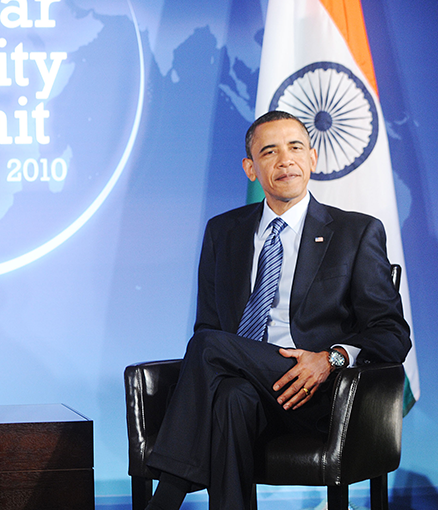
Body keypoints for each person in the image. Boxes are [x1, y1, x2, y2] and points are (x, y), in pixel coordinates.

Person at [144, 111, 411, 510]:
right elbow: (211, 323)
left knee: (206, 346)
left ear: (313, 159)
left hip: (319, 393)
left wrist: (330, 359)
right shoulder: (223, 232)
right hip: (248, 388)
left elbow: (391, 333)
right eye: (270, 151)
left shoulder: (356, 233)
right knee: (231, 392)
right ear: (251, 168)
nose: (285, 160)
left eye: (296, 148)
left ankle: (166, 496)